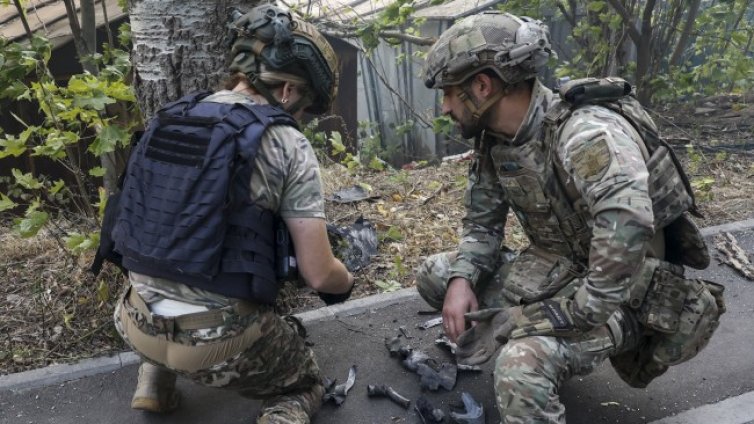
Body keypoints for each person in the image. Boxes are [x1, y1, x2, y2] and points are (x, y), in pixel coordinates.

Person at [417, 11, 724, 423]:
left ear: (483, 85)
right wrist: (461, 280)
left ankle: (544, 370)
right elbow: (482, 223)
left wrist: (541, 323)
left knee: (519, 366)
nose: (446, 106)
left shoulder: (585, 132)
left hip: (620, 296)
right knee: (436, 275)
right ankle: (545, 351)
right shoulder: (499, 140)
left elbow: (628, 224)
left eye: (450, 92)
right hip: (557, 275)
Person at [109, 4, 353, 423]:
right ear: (289, 91)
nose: (300, 116)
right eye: (305, 102)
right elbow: (318, 273)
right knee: (303, 384)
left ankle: (154, 379)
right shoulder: (287, 144)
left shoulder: (170, 118)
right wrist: (344, 281)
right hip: (218, 343)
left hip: (133, 322)